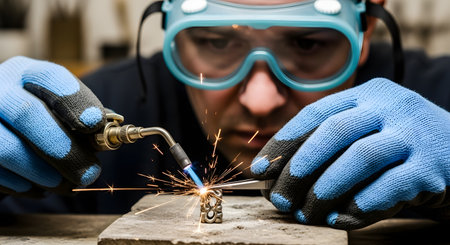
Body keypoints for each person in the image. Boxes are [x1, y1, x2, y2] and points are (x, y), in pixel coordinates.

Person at [0, 0, 449, 230]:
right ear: (171, 36)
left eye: (307, 45)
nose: (259, 100)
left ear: (365, 28)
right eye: (217, 43)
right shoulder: (92, 113)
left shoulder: (436, 103)